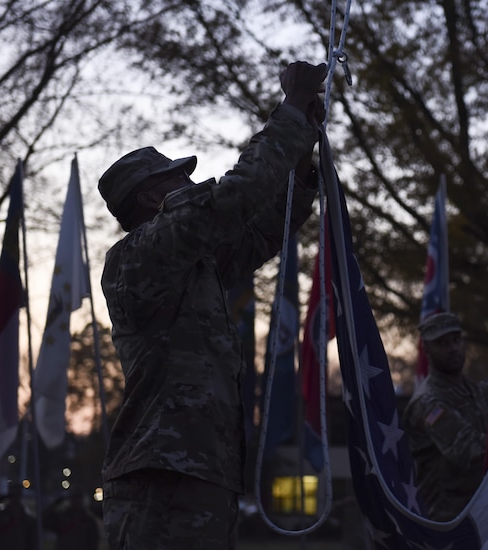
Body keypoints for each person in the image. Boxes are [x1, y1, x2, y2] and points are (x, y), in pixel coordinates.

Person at [97, 60, 328, 549]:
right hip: (159, 481)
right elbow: (234, 199)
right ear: (150, 195)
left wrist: (303, 154)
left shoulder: (191, 263)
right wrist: (289, 110)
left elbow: (263, 229)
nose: (189, 184)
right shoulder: (141, 257)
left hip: (198, 475)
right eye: (176, 177)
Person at [402, 312, 488, 521]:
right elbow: (470, 450)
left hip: (478, 511)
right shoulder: (429, 402)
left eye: (456, 340)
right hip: (445, 521)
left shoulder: (471, 390)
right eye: (442, 343)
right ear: (427, 351)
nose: (452, 348)